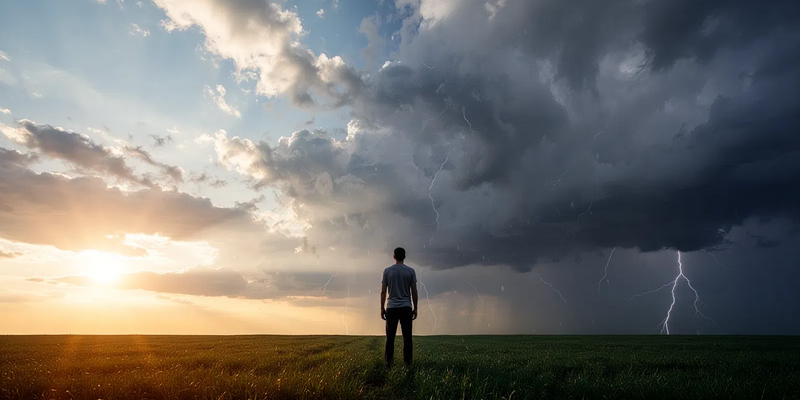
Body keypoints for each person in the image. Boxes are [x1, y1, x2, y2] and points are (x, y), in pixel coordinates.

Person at [380, 247, 418, 368]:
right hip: (406, 307)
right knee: (407, 338)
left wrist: (382, 308)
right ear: (404, 257)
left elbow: (383, 292)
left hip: (391, 307)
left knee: (390, 338)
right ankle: (408, 364)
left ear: (394, 256)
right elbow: (414, 291)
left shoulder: (387, 271)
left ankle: (388, 363)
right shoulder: (410, 271)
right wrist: (415, 308)